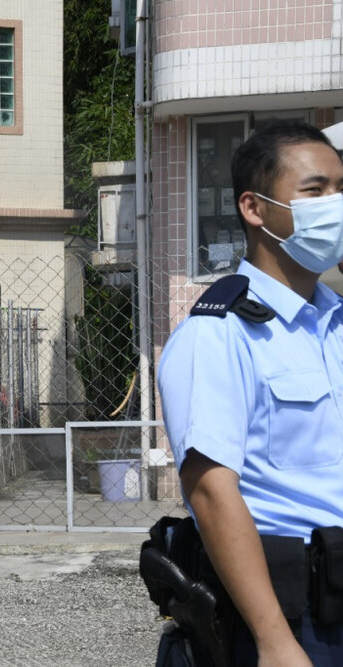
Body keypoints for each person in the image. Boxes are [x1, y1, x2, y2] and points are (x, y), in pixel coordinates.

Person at [156, 120, 343, 665]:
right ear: (254, 209)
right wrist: (275, 641)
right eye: (314, 191)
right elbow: (212, 490)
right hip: (292, 616)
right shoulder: (219, 333)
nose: (334, 204)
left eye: (341, 188)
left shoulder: (333, 322)